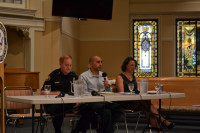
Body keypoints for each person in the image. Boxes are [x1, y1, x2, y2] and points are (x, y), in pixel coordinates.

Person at [116, 57, 175, 133]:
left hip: (136, 102)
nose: (133, 67)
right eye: (131, 65)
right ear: (126, 65)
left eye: (134, 66)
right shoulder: (120, 77)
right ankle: (163, 121)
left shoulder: (134, 77)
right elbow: (122, 93)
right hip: (125, 102)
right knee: (146, 105)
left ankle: (160, 130)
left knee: (147, 110)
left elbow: (139, 91)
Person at [72, 56, 123, 133]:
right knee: (115, 108)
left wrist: (108, 86)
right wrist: (96, 95)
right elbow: (84, 93)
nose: (100, 64)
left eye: (101, 62)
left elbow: (109, 92)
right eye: (98, 62)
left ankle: (101, 129)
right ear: (91, 64)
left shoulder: (103, 75)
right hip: (89, 103)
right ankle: (107, 130)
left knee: (111, 112)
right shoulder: (84, 76)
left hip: (103, 102)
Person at [41, 54, 78, 133]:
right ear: (60, 64)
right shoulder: (54, 75)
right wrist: (55, 93)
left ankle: (77, 130)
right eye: (66, 65)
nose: (69, 67)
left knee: (88, 108)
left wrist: (79, 102)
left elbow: (79, 91)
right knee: (59, 108)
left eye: (70, 65)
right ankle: (58, 131)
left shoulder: (73, 76)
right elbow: (42, 92)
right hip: (54, 104)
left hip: (70, 104)